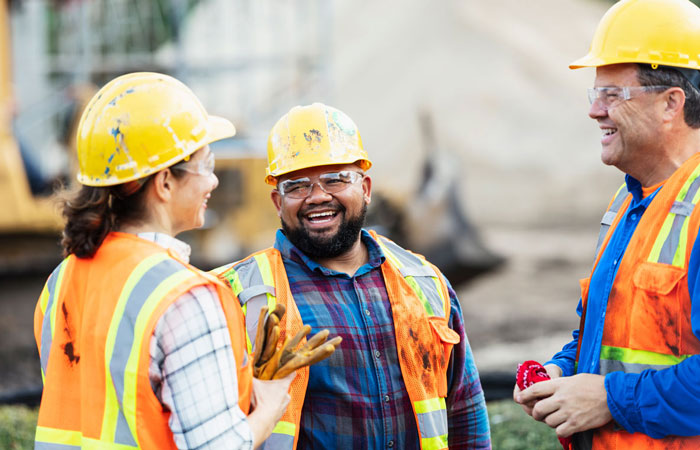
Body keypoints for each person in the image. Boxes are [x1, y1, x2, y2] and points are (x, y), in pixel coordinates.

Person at [33, 72, 292, 449]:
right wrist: (268, 409)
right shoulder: (186, 298)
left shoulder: (60, 281)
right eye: (206, 165)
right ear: (165, 182)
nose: (213, 181)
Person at [215, 103, 491, 449]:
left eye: (335, 179)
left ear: (366, 188)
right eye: (297, 186)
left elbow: (464, 409)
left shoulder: (424, 281)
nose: (317, 197)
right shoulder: (235, 295)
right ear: (276, 201)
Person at [514, 0, 700, 448]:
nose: (595, 111)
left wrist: (610, 399)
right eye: (594, 94)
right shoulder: (628, 201)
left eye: (613, 95)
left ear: (671, 104)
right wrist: (563, 369)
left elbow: (615, 386)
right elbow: (611, 335)